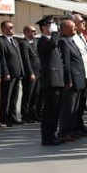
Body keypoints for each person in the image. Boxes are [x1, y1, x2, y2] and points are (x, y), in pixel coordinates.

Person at [37, 16, 65, 146]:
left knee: (55, 110)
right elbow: (53, 44)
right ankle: (47, 137)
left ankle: (52, 134)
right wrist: (55, 33)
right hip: (51, 81)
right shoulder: (43, 41)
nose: (54, 28)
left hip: (57, 80)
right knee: (49, 110)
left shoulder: (50, 40)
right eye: (50, 25)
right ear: (44, 28)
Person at [0, 20, 24, 125]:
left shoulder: (15, 41)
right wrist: (5, 72)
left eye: (13, 27)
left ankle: (13, 116)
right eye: (10, 27)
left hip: (17, 73)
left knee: (14, 97)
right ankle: (4, 118)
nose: (12, 29)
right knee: (6, 97)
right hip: (8, 74)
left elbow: (19, 57)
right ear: (3, 29)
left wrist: (22, 71)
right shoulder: (0, 41)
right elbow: (2, 59)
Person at [19, 26, 40, 122]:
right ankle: (25, 115)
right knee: (28, 95)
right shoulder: (23, 44)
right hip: (30, 74)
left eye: (35, 31)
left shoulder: (35, 42)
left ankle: (33, 113)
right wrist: (30, 73)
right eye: (33, 31)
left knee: (36, 95)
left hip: (38, 72)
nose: (35, 33)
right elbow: (26, 60)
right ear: (26, 32)